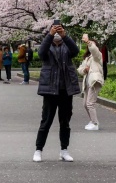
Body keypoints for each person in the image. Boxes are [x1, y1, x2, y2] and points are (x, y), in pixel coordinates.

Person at [33, 23, 80, 163]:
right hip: (50, 90)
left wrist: (65, 36)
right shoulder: (48, 46)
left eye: (60, 30)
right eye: (55, 30)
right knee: (46, 121)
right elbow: (41, 53)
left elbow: (75, 51)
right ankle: (38, 150)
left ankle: (64, 150)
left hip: (66, 89)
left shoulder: (67, 46)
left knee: (65, 122)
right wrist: (50, 35)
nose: (58, 33)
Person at [77, 35, 104, 130]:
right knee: (85, 104)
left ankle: (95, 123)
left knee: (90, 103)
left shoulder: (98, 56)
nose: (90, 45)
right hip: (87, 82)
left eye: (92, 44)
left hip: (94, 81)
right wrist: (85, 70)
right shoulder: (87, 58)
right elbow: (79, 69)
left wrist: (89, 42)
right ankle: (92, 120)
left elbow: (94, 50)